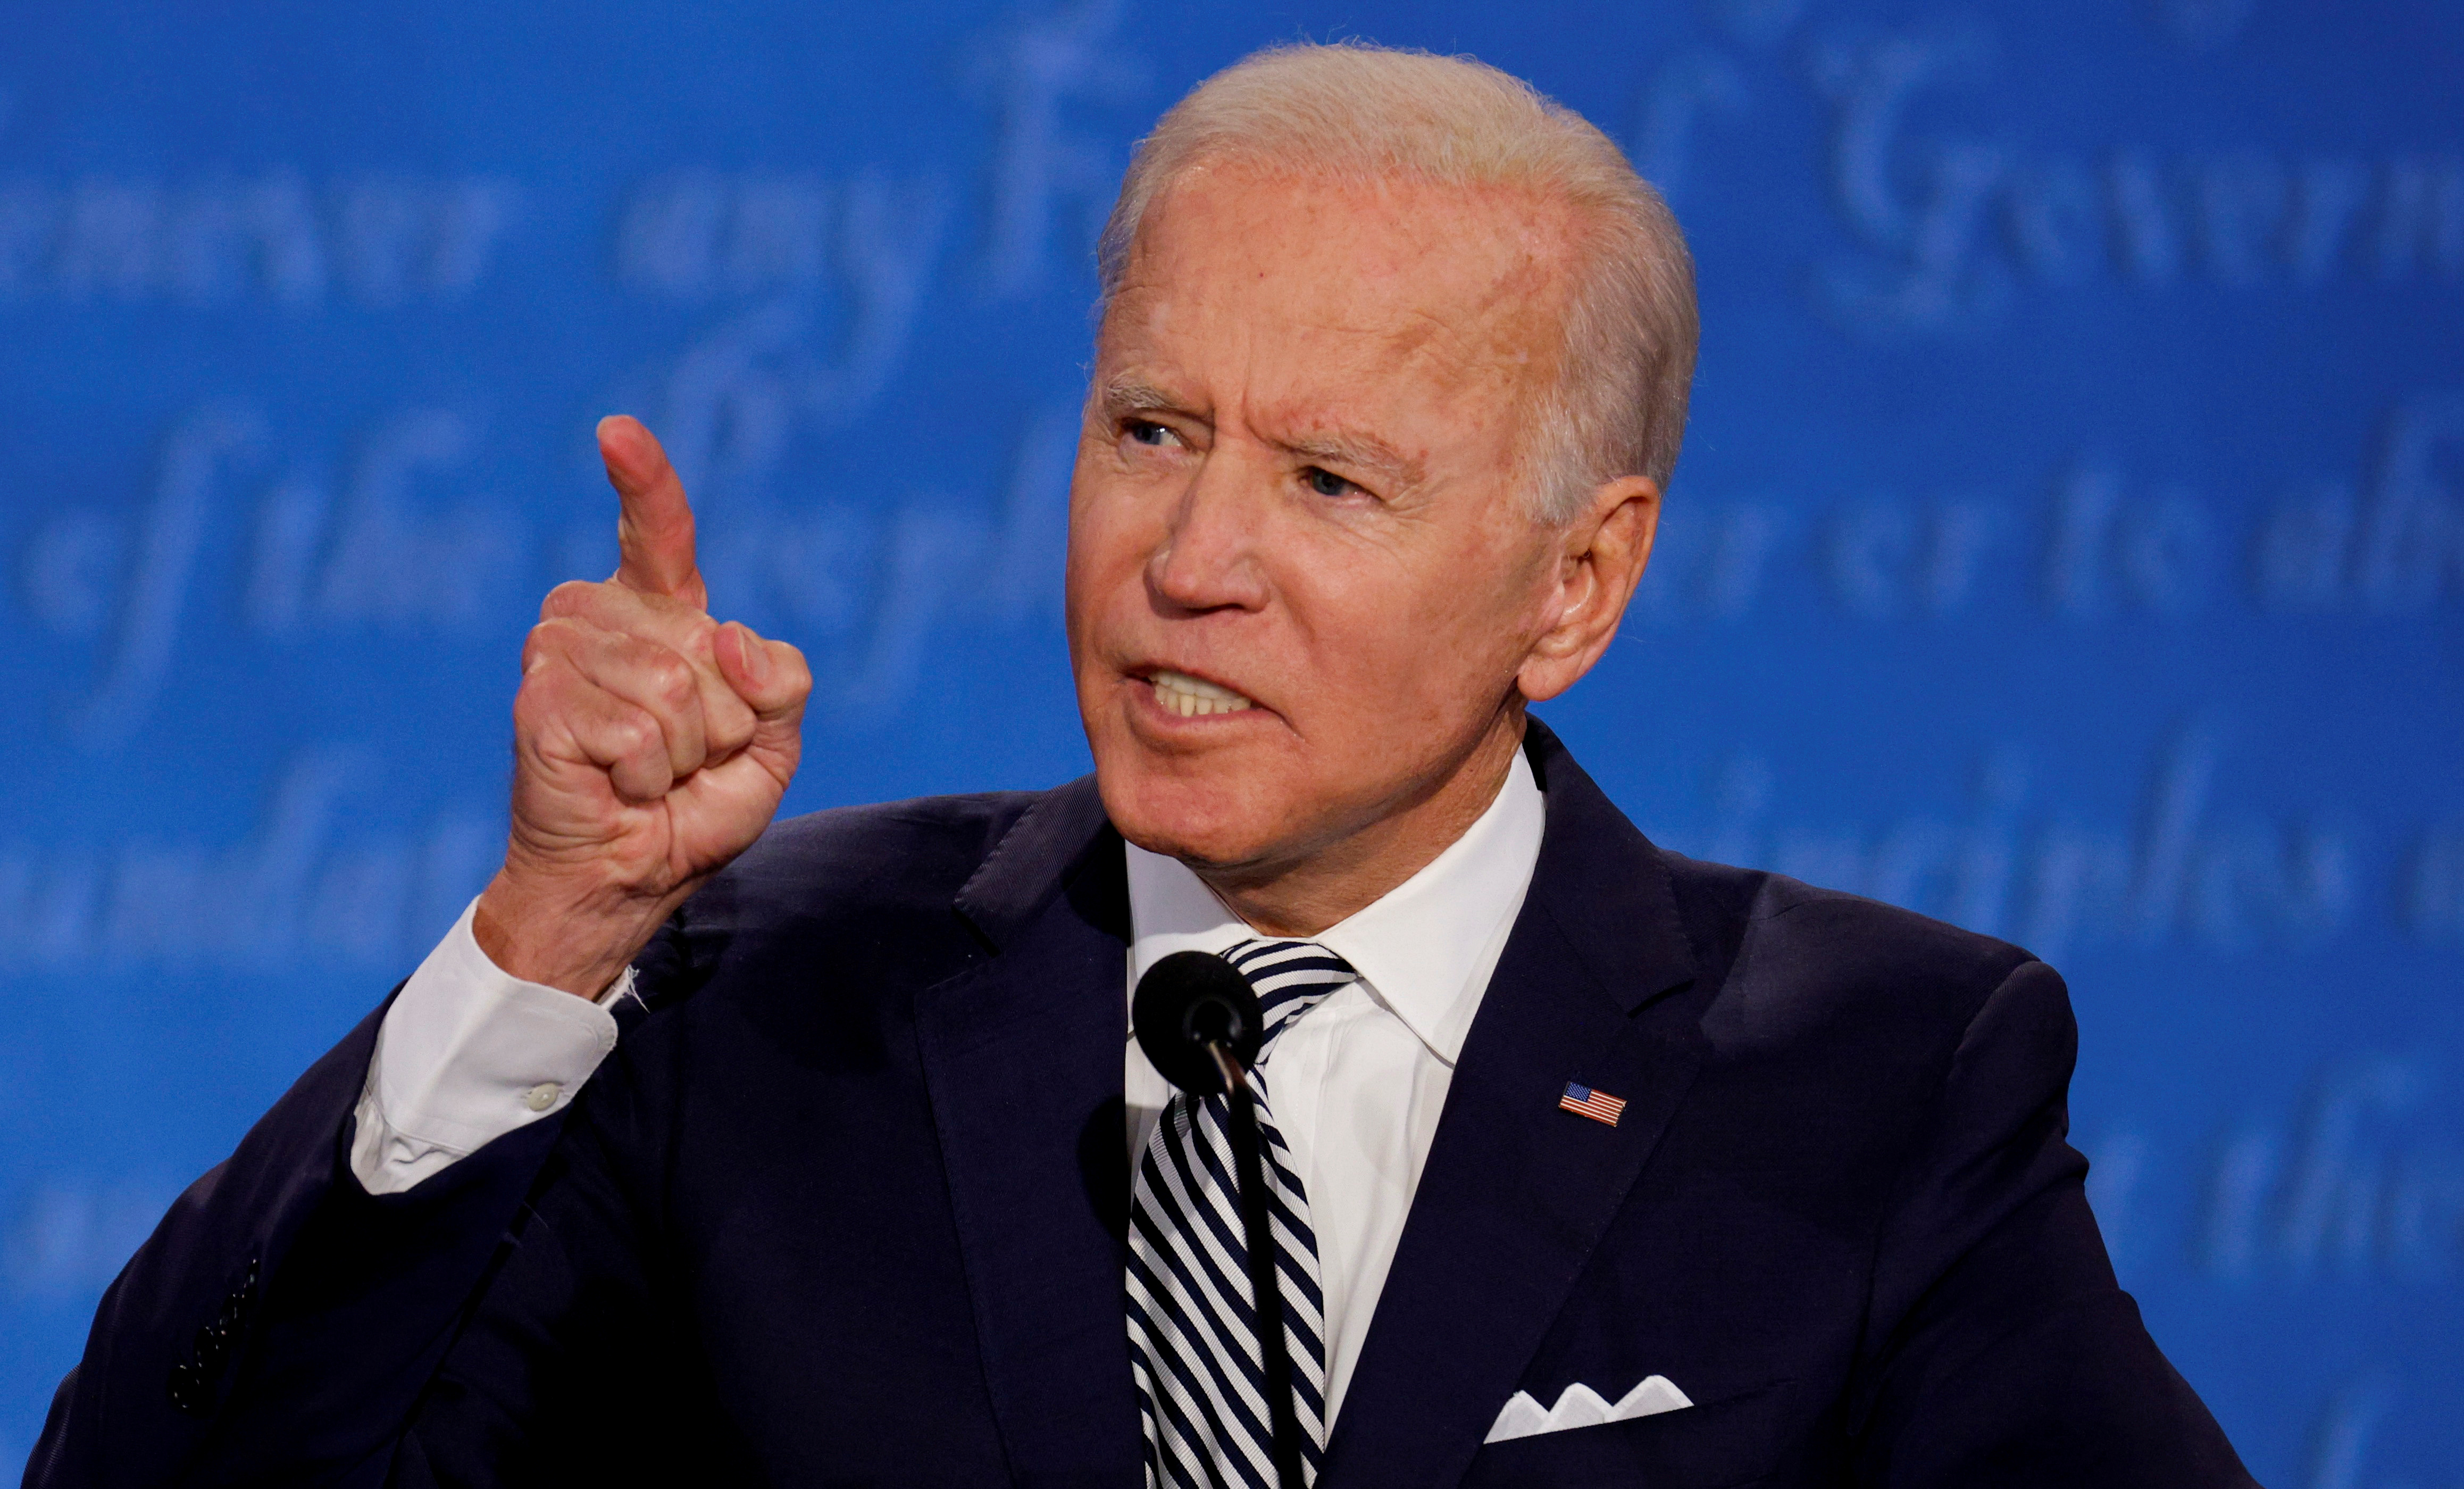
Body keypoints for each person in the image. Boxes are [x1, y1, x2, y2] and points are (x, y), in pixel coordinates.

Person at [27, 42, 2254, 1489]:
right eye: (1152, 433)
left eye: (1330, 482)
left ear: (1575, 587)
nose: (1189, 561)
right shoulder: (756, 997)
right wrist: (545, 946)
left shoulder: (1874, 1083)